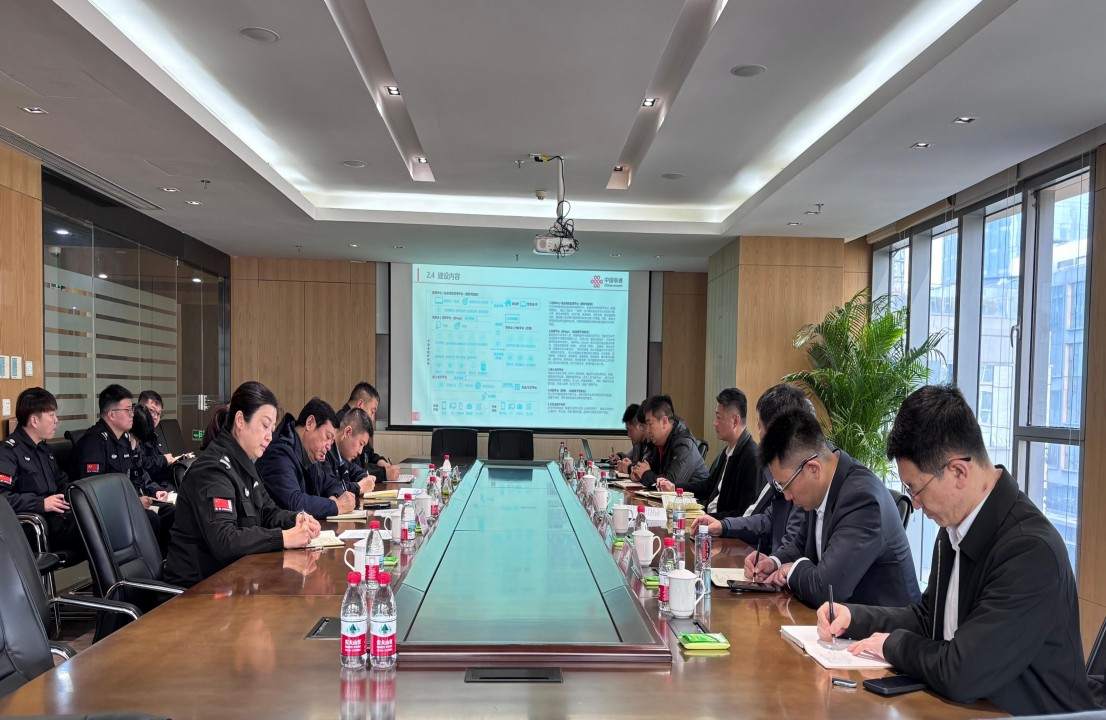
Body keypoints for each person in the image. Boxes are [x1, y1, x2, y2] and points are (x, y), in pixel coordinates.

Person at [816, 385, 1099, 715]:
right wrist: (855, 618)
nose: (915, 504)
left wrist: (893, 645)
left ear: (958, 471)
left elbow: (963, 672)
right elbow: (929, 620)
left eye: (916, 489)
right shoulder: (955, 527)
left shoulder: (1030, 552)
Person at [747, 409, 920, 609]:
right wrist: (774, 562)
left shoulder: (862, 499)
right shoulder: (820, 488)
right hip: (838, 619)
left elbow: (826, 590)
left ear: (813, 469)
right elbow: (800, 545)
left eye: (786, 485)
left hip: (881, 624)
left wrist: (791, 570)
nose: (787, 496)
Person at [164, 381, 320, 587]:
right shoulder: (213, 469)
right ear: (240, 421)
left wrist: (296, 519)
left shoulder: (245, 464)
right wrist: (283, 538)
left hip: (233, 580)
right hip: (197, 590)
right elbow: (225, 541)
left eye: (272, 429)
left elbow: (268, 512)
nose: (269, 437)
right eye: (265, 426)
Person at [692, 383, 809, 553]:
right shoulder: (732, 453)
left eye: (760, 426)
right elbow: (767, 519)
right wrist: (723, 525)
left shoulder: (756, 458)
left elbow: (793, 545)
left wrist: (775, 562)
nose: (759, 434)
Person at [73, 384, 174, 551]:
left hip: (127, 503)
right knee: (151, 520)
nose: (132, 414)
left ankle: (166, 563)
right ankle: (149, 563)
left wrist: (154, 491)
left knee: (171, 512)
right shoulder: (94, 443)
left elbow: (136, 474)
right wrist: (133, 501)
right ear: (112, 414)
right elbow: (94, 491)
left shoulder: (123, 440)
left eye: (131, 409)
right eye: (127, 410)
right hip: (106, 511)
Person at [0, 387, 85, 561]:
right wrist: (40, 504)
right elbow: (2, 498)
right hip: (33, 526)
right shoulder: (8, 452)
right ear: (34, 420)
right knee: (95, 530)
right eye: (51, 415)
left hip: (58, 519)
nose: (56, 421)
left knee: (101, 521)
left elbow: (62, 482)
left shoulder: (44, 450)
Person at [256, 397, 356, 520]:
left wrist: (335, 496)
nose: (329, 447)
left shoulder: (310, 453)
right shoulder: (278, 454)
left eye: (332, 441)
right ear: (310, 423)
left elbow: (330, 482)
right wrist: (335, 506)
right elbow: (293, 502)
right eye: (327, 437)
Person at [672, 388, 760, 513]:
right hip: (710, 517)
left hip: (720, 522)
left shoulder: (751, 457)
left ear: (735, 421)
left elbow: (743, 513)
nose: (715, 423)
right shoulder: (729, 450)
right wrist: (674, 488)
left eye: (719, 417)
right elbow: (708, 486)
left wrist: (709, 519)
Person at [631, 395, 708, 491]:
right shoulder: (658, 442)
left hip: (694, 499)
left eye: (650, 424)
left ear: (664, 421)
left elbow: (670, 485)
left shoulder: (684, 444)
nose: (648, 430)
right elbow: (650, 470)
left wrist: (645, 474)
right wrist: (638, 473)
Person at [136, 390, 187, 487]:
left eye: (158, 414)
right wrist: (164, 460)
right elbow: (141, 465)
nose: (155, 417)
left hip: (161, 484)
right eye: (151, 411)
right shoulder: (134, 436)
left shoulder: (153, 435)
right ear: (140, 410)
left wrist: (174, 460)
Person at [324, 407, 377, 496]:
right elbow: (331, 488)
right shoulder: (325, 451)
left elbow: (353, 469)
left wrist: (364, 477)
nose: (360, 452)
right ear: (348, 432)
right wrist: (359, 487)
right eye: (361, 444)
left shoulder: (341, 454)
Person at [609, 403, 647, 473]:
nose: (628, 435)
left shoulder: (652, 444)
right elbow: (629, 457)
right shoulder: (638, 443)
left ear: (640, 426)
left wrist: (630, 467)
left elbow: (643, 469)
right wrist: (619, 457)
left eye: (629, 430)